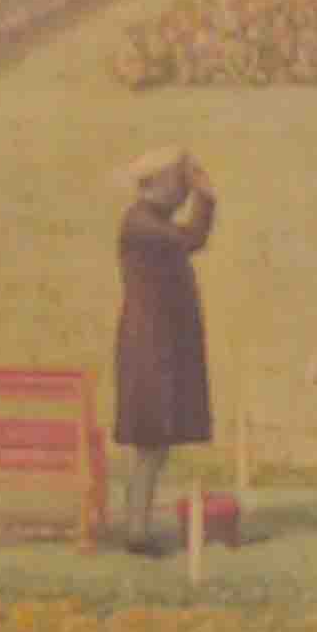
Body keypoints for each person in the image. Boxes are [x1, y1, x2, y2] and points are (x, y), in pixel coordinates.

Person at [110, 152, 221, 551]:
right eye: (178, 181)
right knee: (150, 443)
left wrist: (201, 194)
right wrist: (205, 196)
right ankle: (136, 532)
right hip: (149, 349)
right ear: (156, 183)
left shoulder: (149, 221)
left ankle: (137, 529)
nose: (182, 189)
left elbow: (191, 238)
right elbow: (193, 238)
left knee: (154, 445)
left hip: (158, 346)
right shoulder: (141, 224)